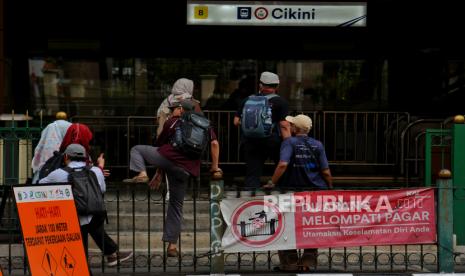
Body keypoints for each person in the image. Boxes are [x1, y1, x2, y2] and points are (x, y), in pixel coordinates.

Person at [124, 99, 221, 257]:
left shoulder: (172, 122)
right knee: (176, 206)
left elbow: (161, 147)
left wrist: (157, 171)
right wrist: (214, 167)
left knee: (137, 150)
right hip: (185, 169)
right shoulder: (205, 125)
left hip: (167, 158)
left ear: (181, 109)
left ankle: (141, 173)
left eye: (174, 108)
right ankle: (172, 246)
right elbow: (215, 144)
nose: (171, 111)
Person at [39, 144, 133, 267]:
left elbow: (40, 185)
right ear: (85, 157)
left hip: (70, 216)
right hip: (95, 213)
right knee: (92, 226)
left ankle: (86, 261)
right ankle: (110, 254)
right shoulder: (95, 171)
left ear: (66, 156)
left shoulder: (58, 173)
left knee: (81, 231)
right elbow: (102, 190)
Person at [264, 114, 332, 272]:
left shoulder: (289, 142)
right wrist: (329, 187)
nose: (291, 126)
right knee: (311, 228)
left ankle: (290, 263)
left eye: (292, 124)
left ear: (296, 128)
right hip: (315, 192)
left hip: (291, 192)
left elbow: (282, 164)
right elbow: (326, 171)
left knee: (287, 227)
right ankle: (307, 263)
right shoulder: (318, 145)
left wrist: (271, 182)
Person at [233, 71, 290, 190]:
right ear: (277, 86)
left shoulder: (248, 100)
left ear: (261, 85)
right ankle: (282, 196)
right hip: (273, 141)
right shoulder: (281, 102)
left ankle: (251, 199)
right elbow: (284, 125)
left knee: (252, 173)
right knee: (282, 168)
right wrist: (288, 144)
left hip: (251, 141)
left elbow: (236, 121)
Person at [31, 111, 71, 183]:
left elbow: (43, 143)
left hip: (50, 164)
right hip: (69, 161)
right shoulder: (71, 126)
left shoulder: (50, 127)